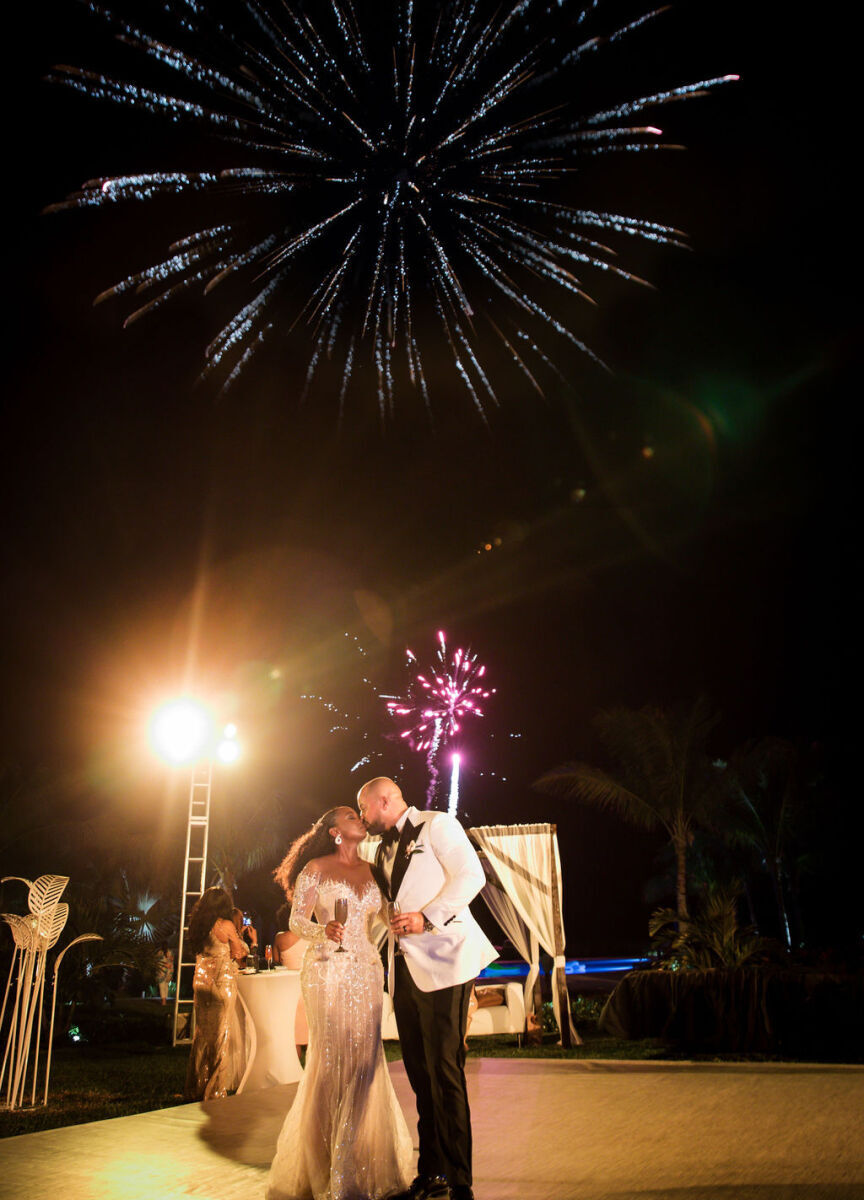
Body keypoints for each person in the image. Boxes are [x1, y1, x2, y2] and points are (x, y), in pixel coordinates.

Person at [358, 777, 497, 1200]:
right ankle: (431, 1172)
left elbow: (472, 875)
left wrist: (428, 916)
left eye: (364, 809)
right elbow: (390, 905)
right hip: (404, 971)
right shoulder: (380, 849)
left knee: (445, 1072)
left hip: (447, 964)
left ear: (385, 801)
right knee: (420, 1076)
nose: (363, 819)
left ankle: (460, 1183)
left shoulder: (438, 825)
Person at [266, 806, 412, 1200]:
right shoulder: (316, 867)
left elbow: (386, 915)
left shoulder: (373, 871)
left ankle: (361, 1165)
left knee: (366, 1061)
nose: (360, 819)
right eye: (351, 815)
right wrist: (322, 929)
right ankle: (324, 1167)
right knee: (330, 1062)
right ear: (334, 831)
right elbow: (297, 921)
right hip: (326, 969)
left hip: (366, 969)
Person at [184, 887, 248, 1101]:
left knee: (202, 1034)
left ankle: (196, 1085)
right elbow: (237, 952)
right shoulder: (226, 925)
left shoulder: (198, 925)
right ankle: (215, 1090)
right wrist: (244, 947)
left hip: (200, 980)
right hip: (222, 981)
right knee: (221, 1035)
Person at [273, 902, 308, 1055]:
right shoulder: (308, 936)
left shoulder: (280, 938)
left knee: (293, 1024)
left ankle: (295, 1052)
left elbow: (274, 961)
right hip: (307, 985)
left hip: (288, 987)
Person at [154, 941, 174, 1006]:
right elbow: (158, 962)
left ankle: (164, 1000)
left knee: (163, 986)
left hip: (164, 972)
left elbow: (171, 960)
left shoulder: (164, 952)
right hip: (164, 972)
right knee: (164, 986)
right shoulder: (161, 953)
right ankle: (164, 1000)